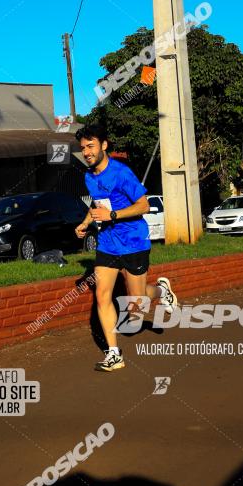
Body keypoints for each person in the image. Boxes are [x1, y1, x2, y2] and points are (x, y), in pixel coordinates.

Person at [74, 124, 177, 372]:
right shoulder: (89, 176)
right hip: (108, 244)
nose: (87, 152)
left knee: (136, 309)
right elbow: (97, 205)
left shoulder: (121, 173)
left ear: (104, 145)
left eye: (91, 146)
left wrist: (112, 215)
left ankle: (161, 291)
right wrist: (86, 222)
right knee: (101, 295)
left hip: (133, 242)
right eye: (83, 148)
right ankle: (113, 354)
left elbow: (143, 206)